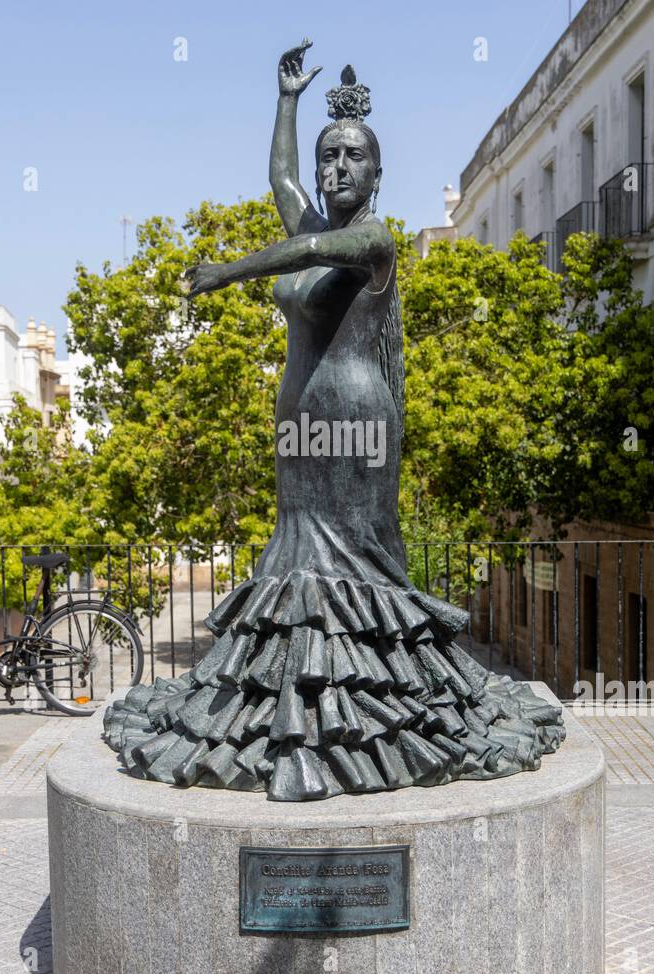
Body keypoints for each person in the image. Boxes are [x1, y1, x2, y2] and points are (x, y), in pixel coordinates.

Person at [103, 41, 564, 800]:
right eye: (328, 158)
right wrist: (286, 101)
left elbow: (309, 243)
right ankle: (297, 707)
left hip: (357, 424)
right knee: (295, 558)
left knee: (359, 561)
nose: (335, 169)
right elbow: (280, 181)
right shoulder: (307, 213)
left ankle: (373, 721)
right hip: (298, 424)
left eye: (350, 157)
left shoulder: (372, 241)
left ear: (377, 174)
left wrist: (223, 272)